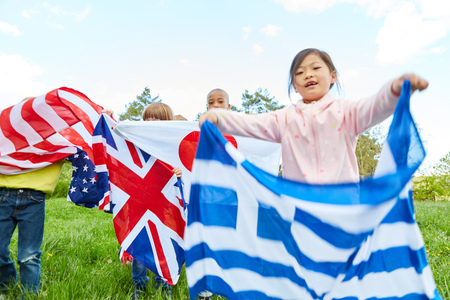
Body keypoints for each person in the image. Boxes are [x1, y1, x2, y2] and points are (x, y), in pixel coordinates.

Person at [199, 48, 429, 184]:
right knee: (304, 264)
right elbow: (251, 123)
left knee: (344, 262)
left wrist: (394, 90)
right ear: (295, 87)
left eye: (315, 68)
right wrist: (217, 117)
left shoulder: (345, 112)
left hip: (344, 208)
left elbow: (373, 107)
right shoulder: (285, 118)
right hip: (300, 210)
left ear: (332, 76)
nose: (307, 74)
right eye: (299, 73)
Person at [0, 98, 65, 298]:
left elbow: (88, 141)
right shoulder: (7, 137)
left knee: (29, 255)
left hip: (34, 200)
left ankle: (28, 295)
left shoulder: (57, 139)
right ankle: (7, 286)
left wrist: (107, 119)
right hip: (3, 196)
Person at [130, 102, 181, 300]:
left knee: (165, 245)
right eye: (147, 118)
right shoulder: (136, 142)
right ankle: (139, 288)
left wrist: (180, 171)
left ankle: (164, 287)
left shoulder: (172, 144)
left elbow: (185, 162)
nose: (150, 122)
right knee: (140, 246)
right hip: (142, 204)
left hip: (166, 205)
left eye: (156, 118)